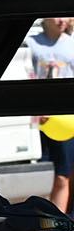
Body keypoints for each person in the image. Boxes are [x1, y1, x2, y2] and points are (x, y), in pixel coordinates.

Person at [31, 16, 74, 211]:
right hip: (37, 122)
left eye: (65, 14)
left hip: (66, 122)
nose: (61, 19)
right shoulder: (32, 44)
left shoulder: (71, 45)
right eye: (56, 14)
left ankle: (57, 223)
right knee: (39, 175)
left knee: (61, 175)